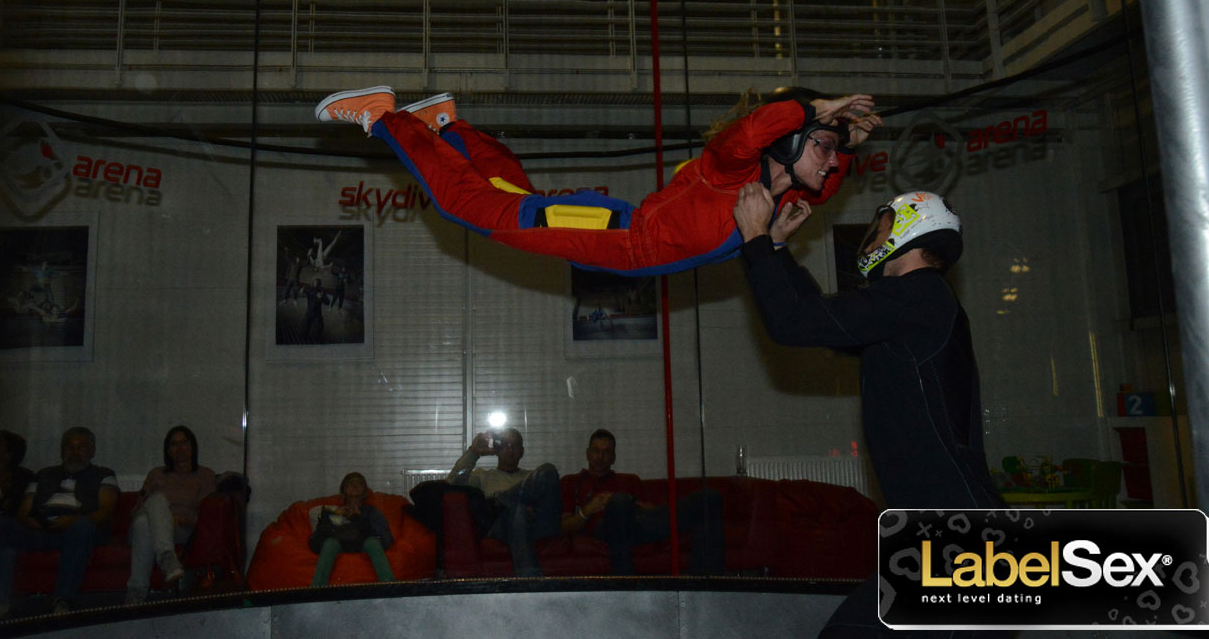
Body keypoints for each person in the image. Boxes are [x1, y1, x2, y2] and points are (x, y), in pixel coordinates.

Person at [733, 188, 1000, 637]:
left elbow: (795, 321)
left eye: (880, 230)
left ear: (911, 230)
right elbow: (820, 324)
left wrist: (756, 237)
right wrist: (776, 249)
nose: (872, 240)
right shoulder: (912, 306)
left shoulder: (920, 294)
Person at [314, 86, 880, 276]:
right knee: (473, 210)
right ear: (787, 142)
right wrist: (811, 109)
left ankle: (448, 127)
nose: (830, 164)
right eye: (823, 148)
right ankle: (385, 117)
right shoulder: (732, 172)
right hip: (614, 234)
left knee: (512, 201)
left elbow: (824, 184)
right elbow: (749, 131)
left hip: (609, 234)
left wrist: (847, 143)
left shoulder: (774, 195)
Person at [0, 427, 119, 622]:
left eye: (81, 447)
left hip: (81, 531)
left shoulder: (104, 474)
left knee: (81, 527)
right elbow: (24, 511)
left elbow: (105, 511)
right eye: (69, 447)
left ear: (92, 451)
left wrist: (73, 520)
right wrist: (34, 522)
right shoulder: (43, 474)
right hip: (41, 530)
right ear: (61, 451)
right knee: (1, 525)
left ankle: (63, 600)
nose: (74, 452)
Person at [560, 429, 723, 575]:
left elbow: (652, 512)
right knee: (619, 502)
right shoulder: (572, 482)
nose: (600, 457)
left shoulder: (629, 480)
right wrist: (588, 509)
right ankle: (625, 581)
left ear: (614, 457)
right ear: (588, 453)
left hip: (640, 525)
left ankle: (706, 583)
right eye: (596, 451)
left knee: (709, 498)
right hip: (605, 528)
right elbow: (563, 526)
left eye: (606, 452)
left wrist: (629, 500)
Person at [447, 428, 560, 577]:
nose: (510, 450)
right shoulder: (484, 476)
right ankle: (531, 585)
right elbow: (453, 482)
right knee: (517, 511)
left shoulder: (532, 479)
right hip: (500, 527)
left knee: (548, 470)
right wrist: (474, 452)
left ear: (522, 451)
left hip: (534, 525)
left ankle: (501, 502)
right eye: (505, 445)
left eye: (515, 446)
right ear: (497, 450)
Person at [124, 426, 218, 605]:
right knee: (151, 509)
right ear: (167, 450)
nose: (180, 448)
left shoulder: (205, 475)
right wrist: (158, 513)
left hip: (180, 529)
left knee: (145, 525)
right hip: (145, 524)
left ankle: (137, 593)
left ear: (192, 446)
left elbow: (208, 518)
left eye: (184, 443)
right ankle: (167, 557)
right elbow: (137, 510)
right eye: (174, 444)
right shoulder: (156, 474)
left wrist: (184, 519)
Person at [307, 472, 395, 587]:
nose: (355, 486)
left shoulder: (371, 512)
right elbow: (315, 543)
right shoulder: (333, 511)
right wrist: (330, 516)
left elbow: (386, 539)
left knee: (372, 542)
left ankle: (389, 586)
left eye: (359, 484)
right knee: (330, 543)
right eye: (350, 484)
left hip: (364, 545)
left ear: (364, 492)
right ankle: (316, 590)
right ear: (343, 490)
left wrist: (359, 519)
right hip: (339, 544)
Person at [302, 278, 328, 343]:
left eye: (318, 283)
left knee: (319, 329)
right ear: (313, 284)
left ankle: (316, 340)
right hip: (309, 313)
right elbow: (305, 290)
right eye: (315, 283)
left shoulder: (322, 292)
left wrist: (321, 297)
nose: (316, 284)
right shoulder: (310, 289)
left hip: (317, 314)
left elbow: (327, 302)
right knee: (305, 330)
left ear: (320, 285)